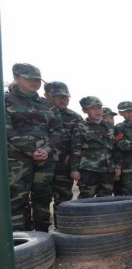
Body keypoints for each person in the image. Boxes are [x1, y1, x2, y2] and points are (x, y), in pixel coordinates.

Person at [5, 63, 63, 231]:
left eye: (38, 80)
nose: (35, 83)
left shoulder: (48, 105)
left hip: (45, 159)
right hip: (17, 160)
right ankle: (20, 242)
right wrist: (31, 151)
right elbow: (6, 131)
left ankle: (43, 238)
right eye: (29, 79)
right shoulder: (6, 100)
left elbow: (58, 132)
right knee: (17, 199)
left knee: (43, 198)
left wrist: (46, 150)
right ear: (16, 78)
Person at [44, 81, 83, 227]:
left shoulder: (75, 117)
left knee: (64, 200)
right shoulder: (39, 113)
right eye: (58, 97)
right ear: (47, 96)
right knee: (41, 200)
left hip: (64, 166)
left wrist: (71, 157)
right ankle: (40, 235)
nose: (63, 100)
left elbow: (79, 142)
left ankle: (62, 230)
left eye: (66, 97)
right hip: (41, 165)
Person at [70, 96, 117, 198]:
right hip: (88, 170)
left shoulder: (110, 127)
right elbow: (75, 150)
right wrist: (74, 170)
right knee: (86, 200)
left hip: (108, 170)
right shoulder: (80, 127)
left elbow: (116, 149)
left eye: (99, 108)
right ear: (84, 110)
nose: (97, 111)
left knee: (106, 200)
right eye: (92, 108)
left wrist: (118, 166)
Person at [102, 107, 123, 195]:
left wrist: (118, 166)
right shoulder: (94, 131)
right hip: (97, 169)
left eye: (111, 118)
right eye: (105, 118)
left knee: (117, 192)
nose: (109, 120)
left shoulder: (117, 132)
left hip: (113, 168)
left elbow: (119, 151)